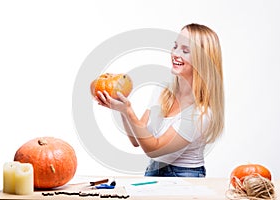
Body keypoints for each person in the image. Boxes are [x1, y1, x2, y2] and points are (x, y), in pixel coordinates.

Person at [95, 23, 224, 177]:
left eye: (185, 50)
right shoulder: (164, 91)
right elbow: (137, 140)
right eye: (175, 46)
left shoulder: (201, 114)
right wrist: (122, 111)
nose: (175, 53)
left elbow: (154, 149)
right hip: (153, 172)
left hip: (185, 177)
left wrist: (128, 111)